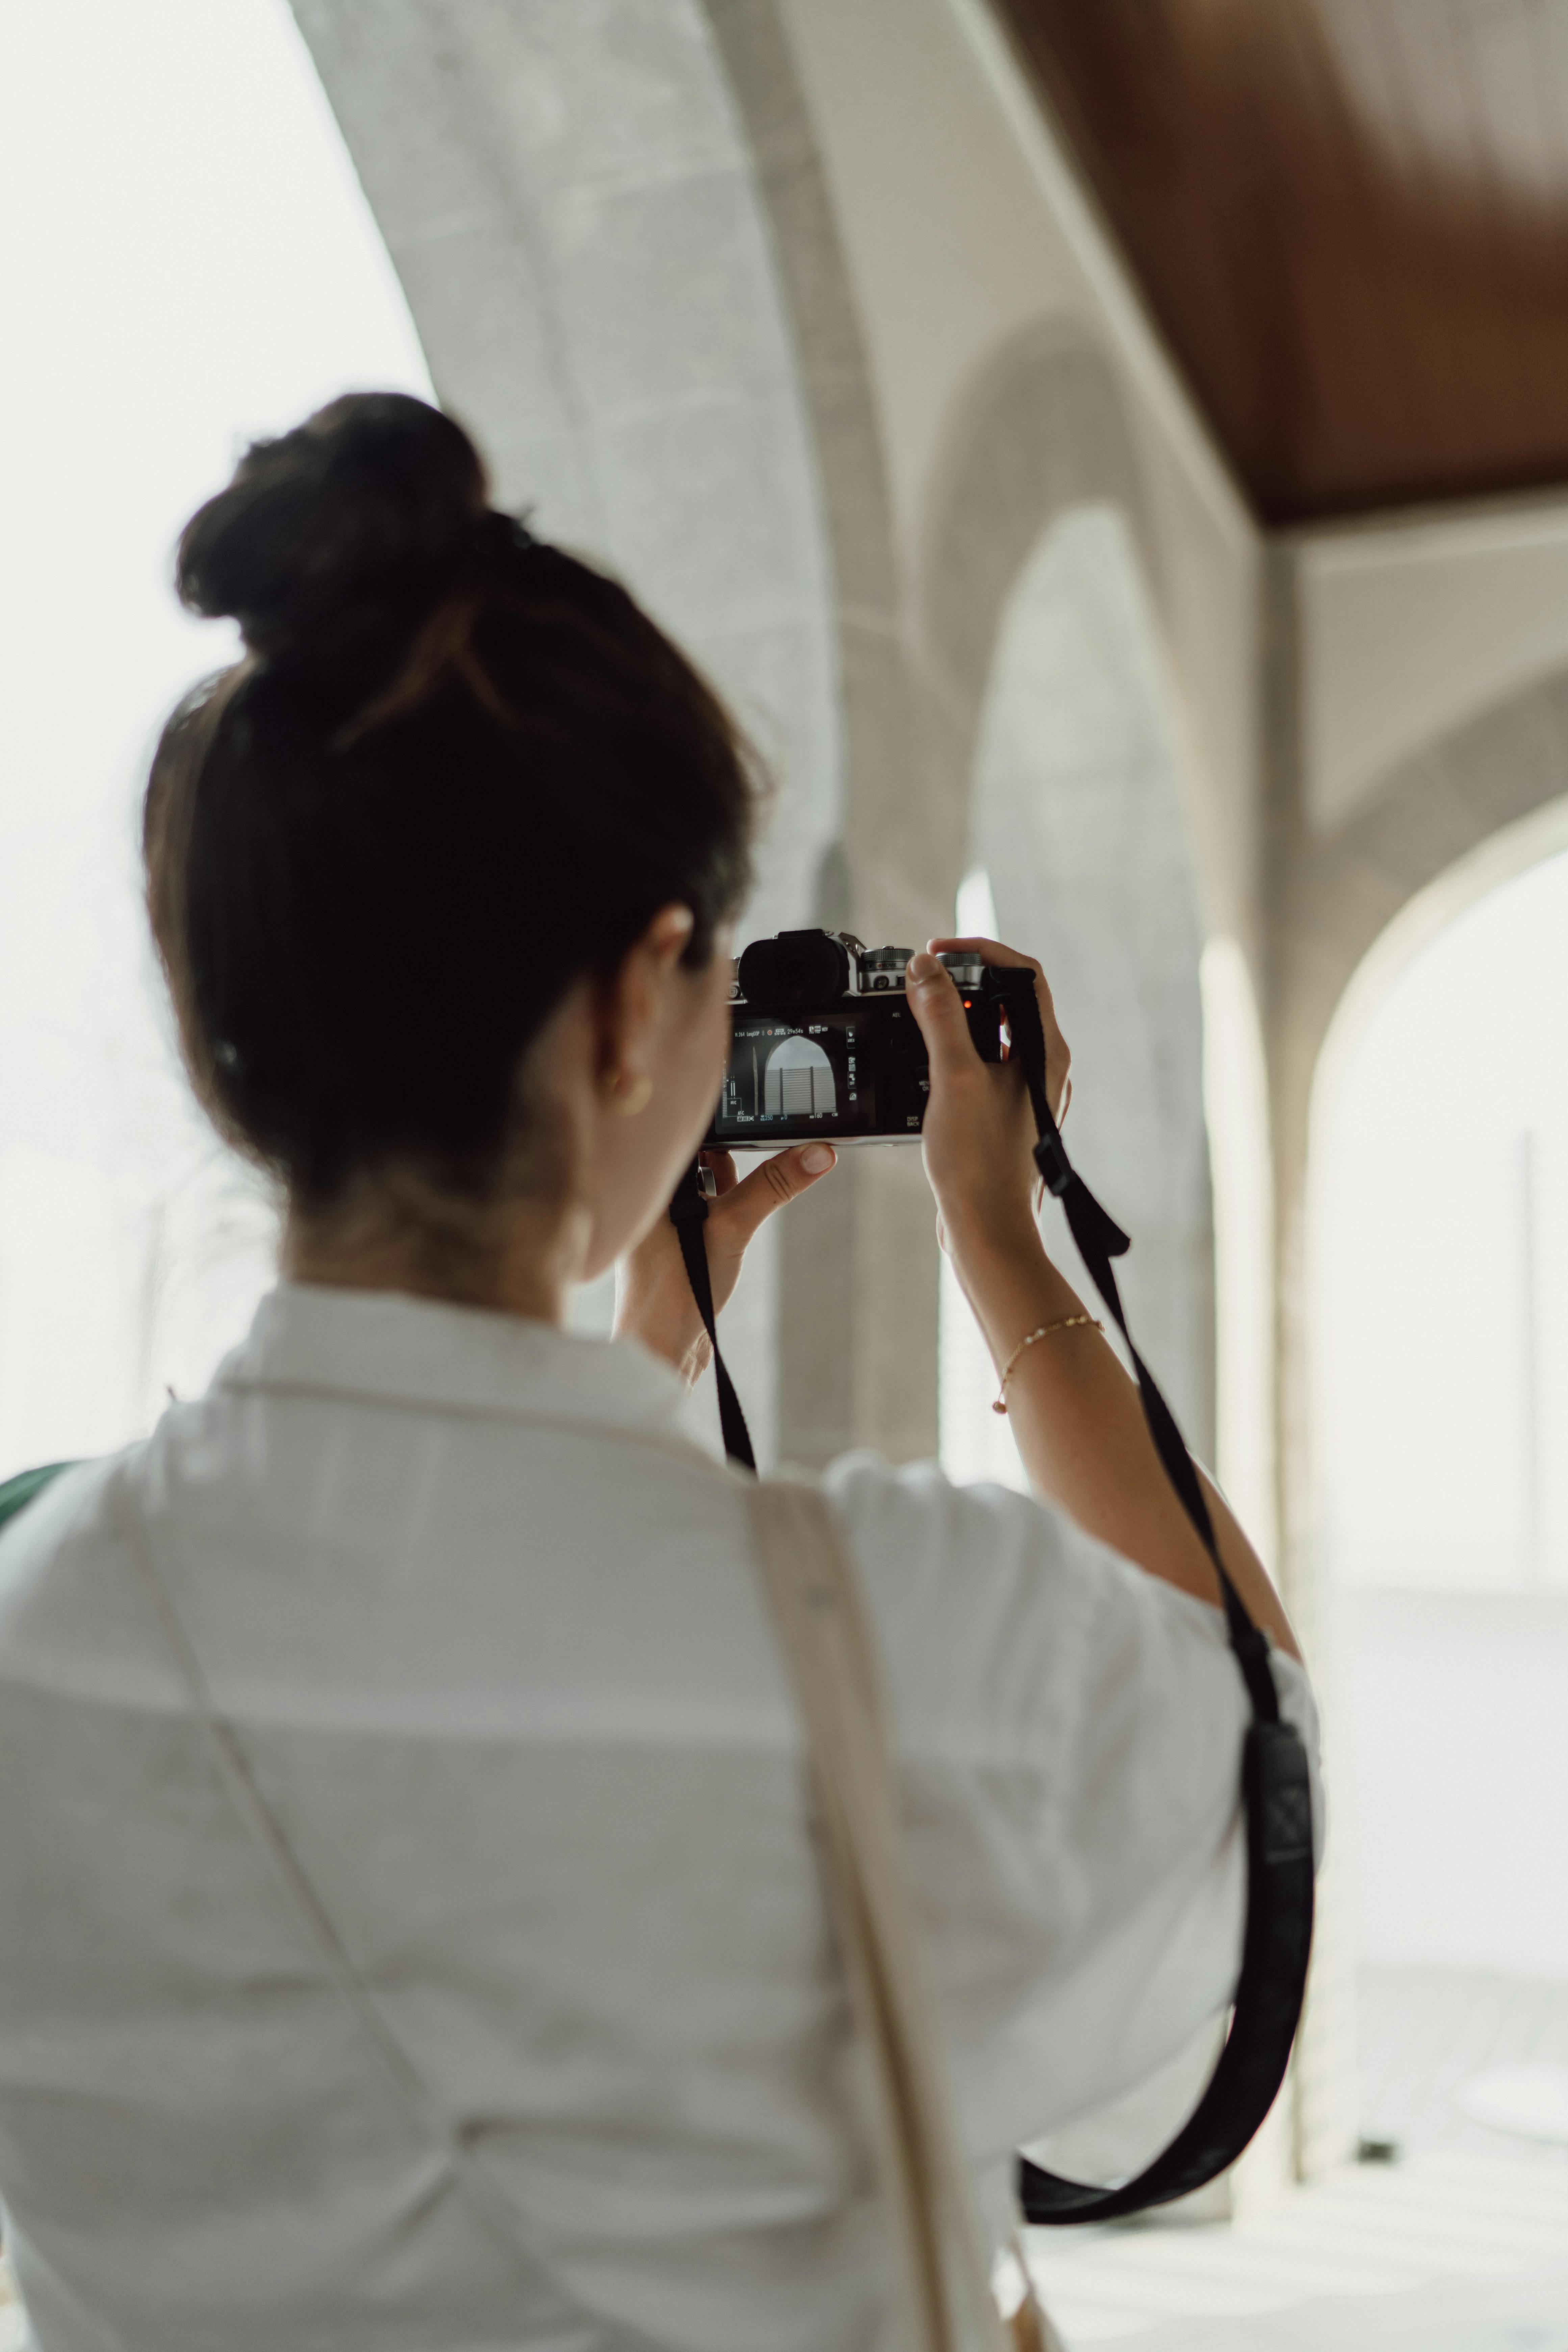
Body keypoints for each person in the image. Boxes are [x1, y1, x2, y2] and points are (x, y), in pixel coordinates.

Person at [0, 393, 1318, 2352]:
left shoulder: (40, 1613)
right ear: (636, 1008)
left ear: (219, 1029)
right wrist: (998, 1231)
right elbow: (1254, 1759)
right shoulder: (908, 1640)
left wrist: (644, 1333)